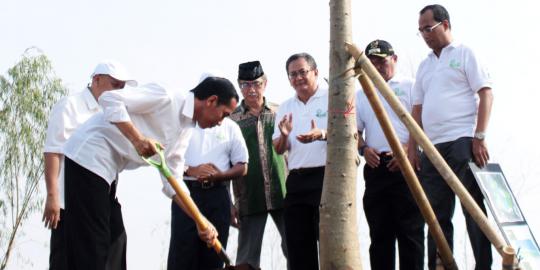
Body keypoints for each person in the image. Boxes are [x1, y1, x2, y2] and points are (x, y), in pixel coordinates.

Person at [62, 76, 238, 270]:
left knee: (116, 241)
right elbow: (109, 99)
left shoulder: (185, 131)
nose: (222, 122)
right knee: (94, 243)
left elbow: (173, 181)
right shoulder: (168, 97)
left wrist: (199, 220)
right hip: (87, 157)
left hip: (106, 171)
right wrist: (138, 139)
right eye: (224, 114)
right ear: (211, 101)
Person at [408, 4, 494, 270]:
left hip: (462, 141)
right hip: (431, 149)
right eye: (420, 30)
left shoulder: (465, 53)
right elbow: (417, 110)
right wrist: (412, 147)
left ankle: (483, 265)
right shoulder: (424, 66)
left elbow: (486, 93)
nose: (424, 34)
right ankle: (441, 265)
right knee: (435, 214)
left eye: (428, 28)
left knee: (472, 208)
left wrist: (479, 136)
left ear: (445, 25)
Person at [42, 60, 137, 270]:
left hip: (103, 198)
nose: (119, 91)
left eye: (122, 87)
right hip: (70, 201)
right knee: (67, 260)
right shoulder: (70, 106)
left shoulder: (116, 114)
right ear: (97, 80)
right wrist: (53, 196)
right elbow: (53, 151)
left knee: (115, 247)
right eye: (115, 85)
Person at [356, 40, 424, 270]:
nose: (376, 66)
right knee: (380, 235)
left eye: (381, 61)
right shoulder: (361, 93)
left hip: (407, 166)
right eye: (371, 62)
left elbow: (421, 124)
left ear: (394, 60)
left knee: (410, 233)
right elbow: (355, 133)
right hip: (377, 168)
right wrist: (365, 149)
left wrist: (407, 150)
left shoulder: (411, 86)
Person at [167, 89, 249, 269]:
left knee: (213, 255)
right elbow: (168, 160)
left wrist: (219, 176)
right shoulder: (184, 124)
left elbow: (242, 165)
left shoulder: (230, 126)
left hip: (217, 194)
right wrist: (190, 170)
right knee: (182, 254)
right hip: (186, 194)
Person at [229, 61, 288, 269]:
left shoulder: (281, 112)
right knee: (246, 258)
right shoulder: (231, 120)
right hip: (248, 196)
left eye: (256, 83)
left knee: (296, 249)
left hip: (284, 193)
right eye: (245, 85)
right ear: (239, 86)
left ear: (265, 83)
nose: (251, 89)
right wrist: (229, 202)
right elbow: (224, 161)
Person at [273, 53, 328, 270]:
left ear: (315, 72)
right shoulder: (285, 107)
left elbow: (348, 132)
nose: (298, 78)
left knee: (327, 241)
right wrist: (285, 134)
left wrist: (321, 133)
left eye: (303, 72)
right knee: (297, 245)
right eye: (292, 74)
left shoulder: (331, 97)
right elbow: (278, 149)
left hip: (326, 178)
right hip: (296, 179)